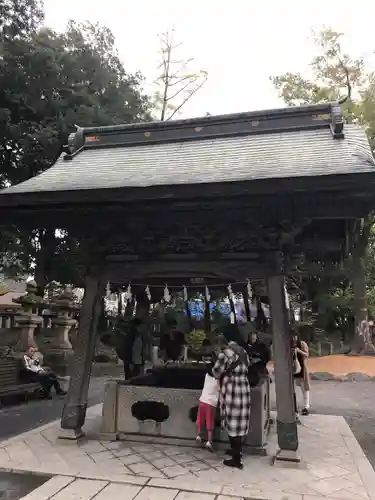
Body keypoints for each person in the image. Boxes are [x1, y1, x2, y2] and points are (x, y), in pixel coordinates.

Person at [212, 335, 251, 469]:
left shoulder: (224, 355)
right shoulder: (243, 351)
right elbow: (248, 366)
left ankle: (236, 460)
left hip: (232, 389)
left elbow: (216, 372)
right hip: (244, 388)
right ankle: (236, 450)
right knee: (240, 421)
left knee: (232, 421)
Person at [196, 362, 219, 451]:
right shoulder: (217, 379)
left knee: (200, 419)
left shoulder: (206, 376)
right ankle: (209, 442)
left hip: (202, 400)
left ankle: (198, 436)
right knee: (209, 422)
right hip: (210, 403)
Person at [291, 331, 310, 416]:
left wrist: (299, 351)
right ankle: (295, 407)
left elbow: (307, 355)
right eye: (292, 337)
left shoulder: (302, 344)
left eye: (295, 337)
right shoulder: (289, 344)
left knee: (304, 389)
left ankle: (306, 406)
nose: (294, 338)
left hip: (302, 369)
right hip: (292, 370)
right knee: (293, 389)